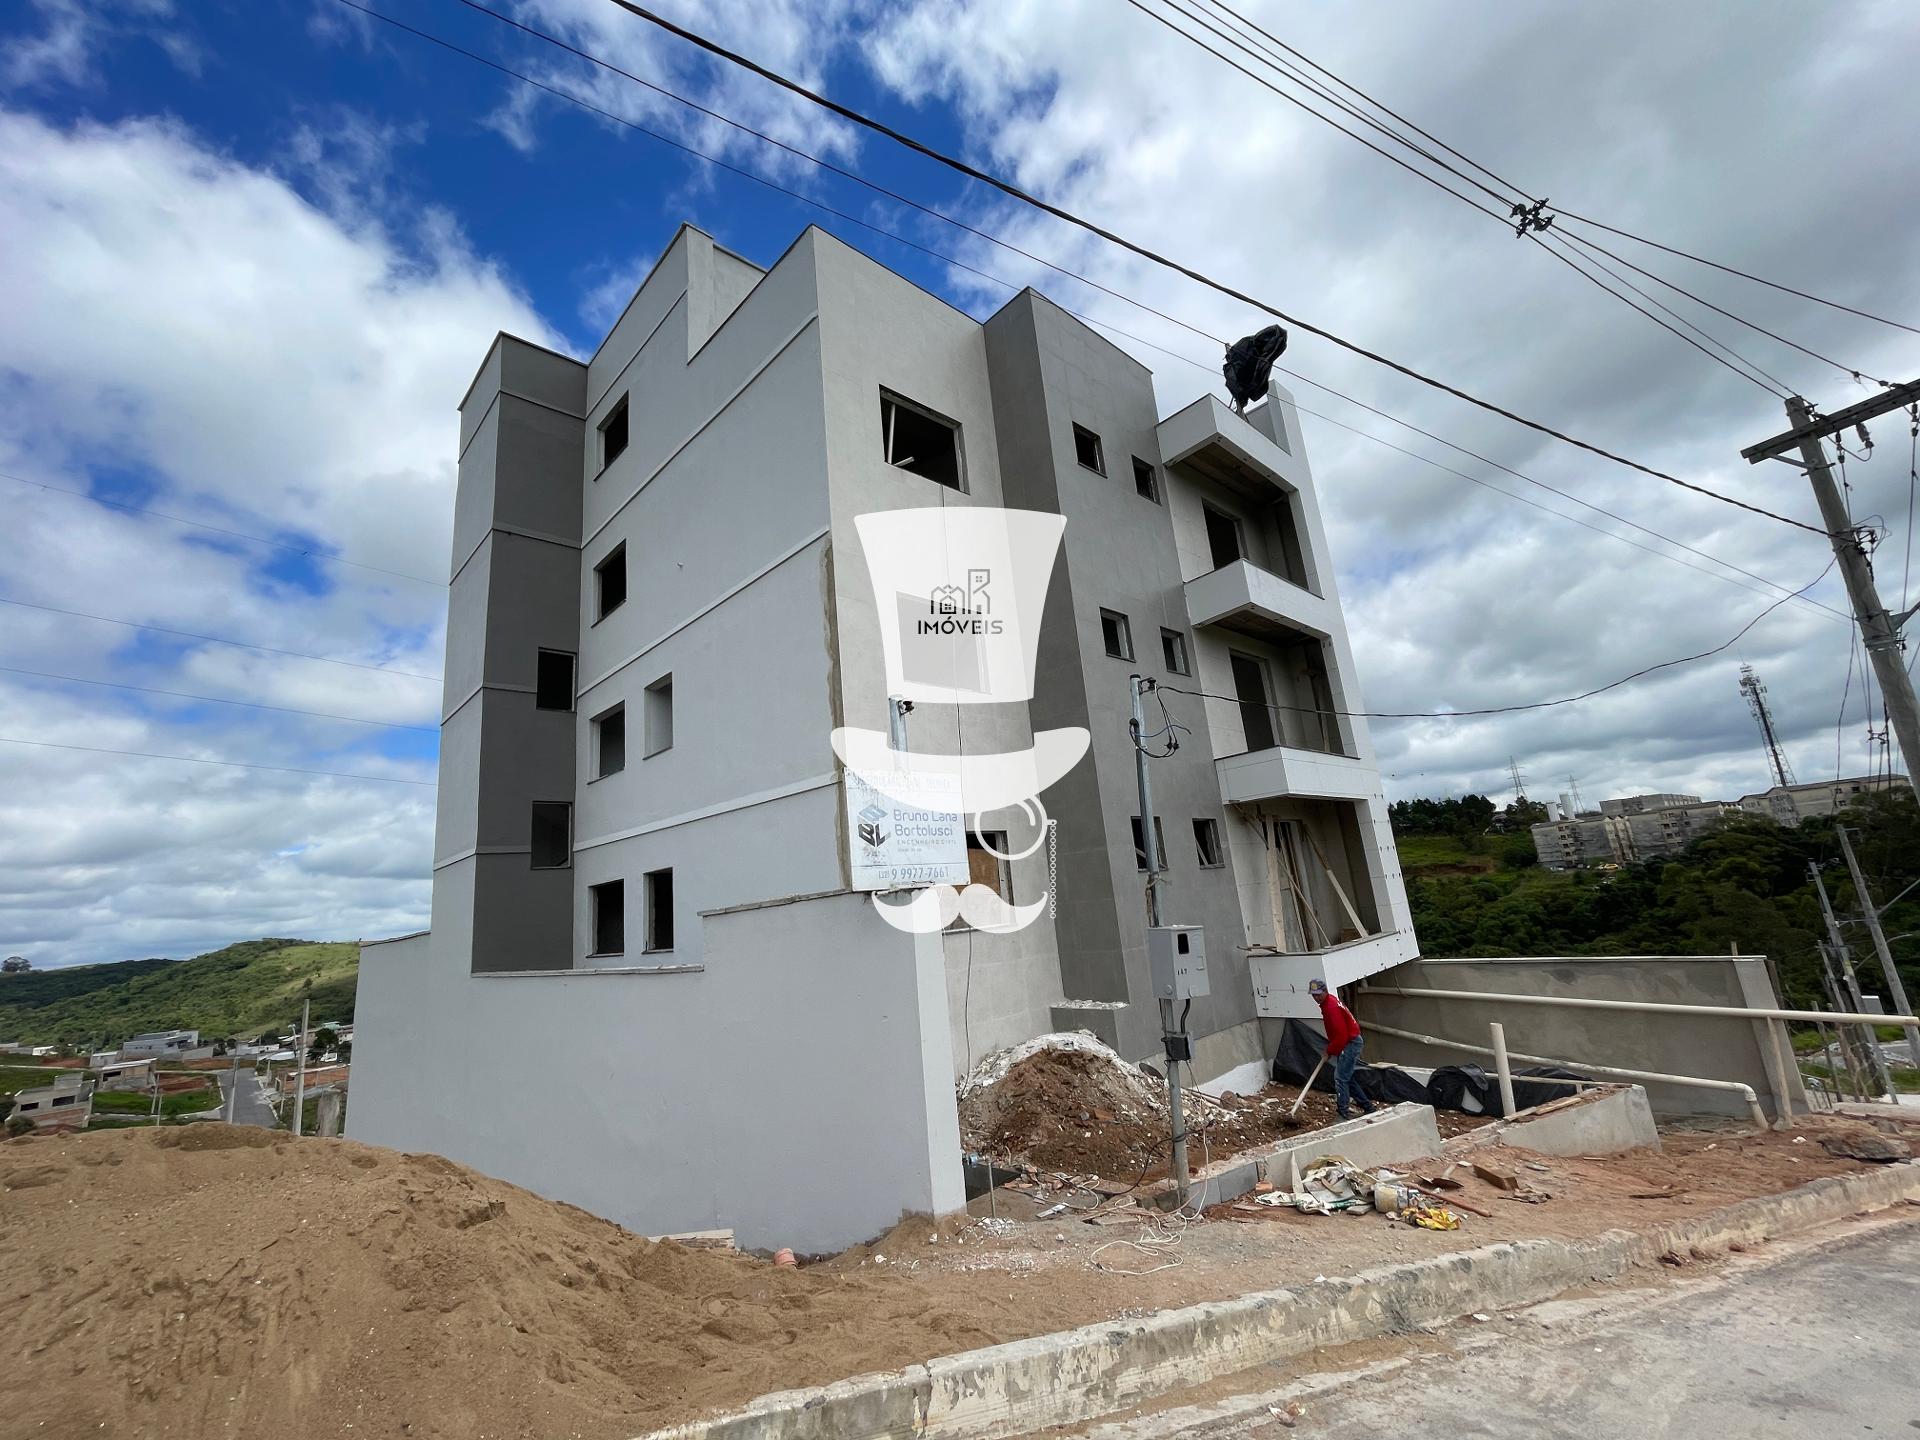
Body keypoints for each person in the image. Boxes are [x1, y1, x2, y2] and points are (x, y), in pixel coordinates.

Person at [1308, 978, 1375, 1120]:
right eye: (1313, 995)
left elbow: (1341, 1035)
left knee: (1340, 1078)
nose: (1316, 997)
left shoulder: (1331, 1007)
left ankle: (1343, 1112)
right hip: (1348, 1042)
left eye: (1318, 994)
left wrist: (1330, 1050)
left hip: (1350, 1043)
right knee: (1346, 1077)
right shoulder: (1329, 1002)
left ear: (1325, 991)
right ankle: (1368, 1107)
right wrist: (1332, 1048)